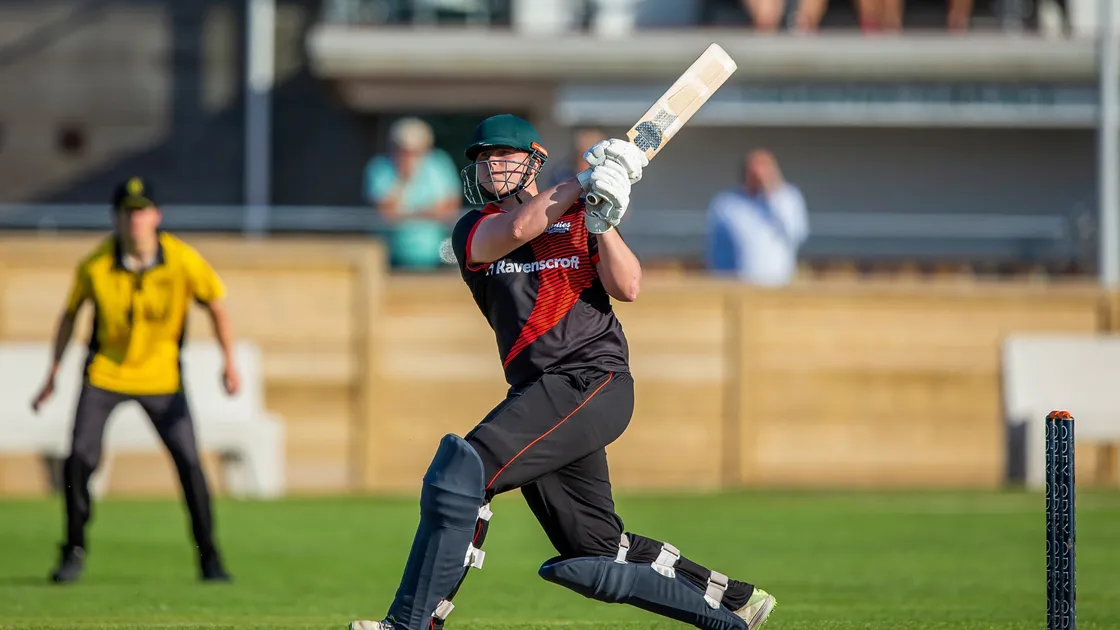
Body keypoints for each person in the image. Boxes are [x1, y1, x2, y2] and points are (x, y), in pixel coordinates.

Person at [348, 114, 776, 630]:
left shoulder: (580, 219)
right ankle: (735, 608)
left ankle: (412, 624)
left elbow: (629, 286)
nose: (492, 166)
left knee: (463, 471)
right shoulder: (475, 228)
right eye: (484, 159)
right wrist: (582, 181)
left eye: (504, 156)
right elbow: (520, 228)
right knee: (596, 549)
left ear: (533, 160)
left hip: (595, 380)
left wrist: (604, 219)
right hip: (541, 393)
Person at [31, 177, 239, 584]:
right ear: (116, 218)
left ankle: (208, 556)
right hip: (106, 374)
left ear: (156, 216)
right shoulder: (95, 265)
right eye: (128, 212)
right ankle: (73, 549)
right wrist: (52, 374)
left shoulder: (181, 260)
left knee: (190, 465)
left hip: (162, 378)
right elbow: (70, 315)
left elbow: (216, 304)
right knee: (79, 460)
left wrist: (228, 362)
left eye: (143, 211)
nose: (136, 220)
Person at [364, 117, 462, 270]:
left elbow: (449, 209)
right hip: (390, 257)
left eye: (415, 151)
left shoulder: (438, 163)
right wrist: (403, 178)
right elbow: (386, 212)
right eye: (403, 150)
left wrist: (406, 214)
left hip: (437, 255)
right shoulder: (379, 167)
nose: (408, 156)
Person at [706, 149, 809, 286]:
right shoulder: (727, 203)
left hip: (779, 286)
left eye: (765, 167)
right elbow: (716, 248)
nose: (759, 174)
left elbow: (797, 234)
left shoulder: (788, 198)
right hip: (738, 287)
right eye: (754, 168)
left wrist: (771, 192)